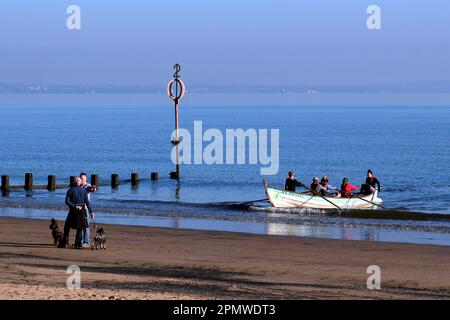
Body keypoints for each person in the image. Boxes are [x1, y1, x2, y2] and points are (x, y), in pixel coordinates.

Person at [59, 177, 93, 249]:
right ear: (80, 183)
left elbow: (67, 201)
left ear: (74, 182)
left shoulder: (70, 190)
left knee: (67, 227)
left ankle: (65, 243)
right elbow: (87, 202)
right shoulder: (84, 191)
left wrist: (74, 206)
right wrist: (91, 212)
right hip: (82, 211)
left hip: (73, 210)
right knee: (80, 228)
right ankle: (77, 244)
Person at [80, 172, 96, 248]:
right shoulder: (79, 186)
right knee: (79, 225)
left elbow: (91, 189)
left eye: (83, 179)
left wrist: (93, 188)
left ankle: (86, 242)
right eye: (81, 178)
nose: (82, 180)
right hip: (78, 208)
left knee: (86, 226)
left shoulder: (87, 185)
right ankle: (79, 241)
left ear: (86, 179)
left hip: (85, 208)